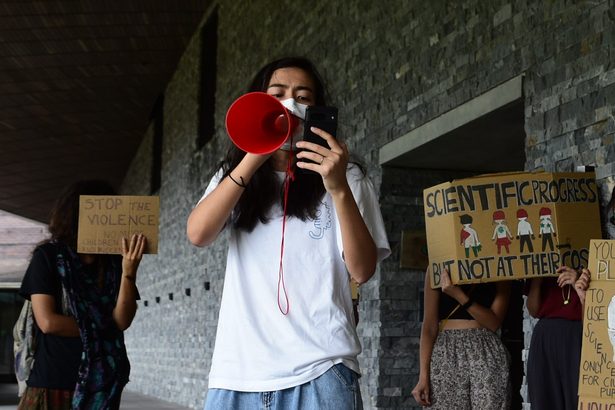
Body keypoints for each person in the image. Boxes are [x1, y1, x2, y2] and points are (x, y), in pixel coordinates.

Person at [187, 56, 390, 409]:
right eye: (277, 94)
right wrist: (254, 155)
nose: (290, 104)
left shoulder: (348, 176)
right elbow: (198, 234)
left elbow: (362, 269)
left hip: (323, 371)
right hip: (238, 374)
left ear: (317, 111)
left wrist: (338, 187)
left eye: (303, 97)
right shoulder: (235, 174)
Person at [18, 180, 146, 410]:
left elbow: (123, 320)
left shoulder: (115, 262)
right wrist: (105, 328)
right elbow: (48, 322)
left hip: (103, 384)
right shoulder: (48, 257)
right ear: (77, 216)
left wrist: (129, 272)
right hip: (54, 381)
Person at [411, 269, 512, 409]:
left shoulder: (496, 263)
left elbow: (494, 323)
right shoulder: (438, 264)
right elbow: (429, 327)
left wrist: (458, 295)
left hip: (485, 349)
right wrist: (423, 377)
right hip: (445, 351)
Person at [525, 265, 591, 410]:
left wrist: (577, 285)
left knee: (578, 398)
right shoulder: (543, 260)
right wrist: (537, 280)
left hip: (578, 335)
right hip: (544, 335)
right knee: (544, 399)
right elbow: (533, 311)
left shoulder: (592, 264)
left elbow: (594, 319)